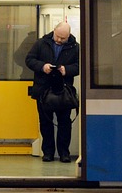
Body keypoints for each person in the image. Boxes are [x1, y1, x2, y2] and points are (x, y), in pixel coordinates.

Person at [25, 22, 80, 163]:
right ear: (54, 30)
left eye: (63, 38)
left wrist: (66, 70)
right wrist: (42, 67)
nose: (60, 40)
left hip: (64, 91)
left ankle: (64, 153)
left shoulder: (76, 47)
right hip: (43, 90)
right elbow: (29, 60)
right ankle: (48, 152)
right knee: (45, 122)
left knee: (65, 123)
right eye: (58, 37)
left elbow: (80, 66)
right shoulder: (41, 43)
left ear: (69, 36)